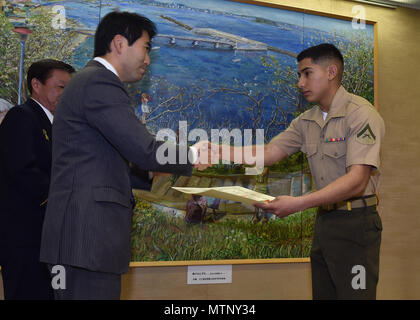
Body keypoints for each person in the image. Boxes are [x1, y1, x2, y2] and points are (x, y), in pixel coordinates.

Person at [39, 11, 208, 300]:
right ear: (119, 43)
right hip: (86, 240)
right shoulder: (100, 82)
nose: (147, 60)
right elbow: (143, 148)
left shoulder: (89, 81)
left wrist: (152, 172)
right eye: (145, 48)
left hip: (83, 242)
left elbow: (105, 157)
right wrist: (192, 154)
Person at [214, 43, 384, 299]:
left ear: (331, 72)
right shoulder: (307, 121)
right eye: (299, 75)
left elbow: (356, 182)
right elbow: (270, 152)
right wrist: (219, 151)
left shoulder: (361, 115)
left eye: (307, 73)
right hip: (325, 221)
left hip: (356, 224)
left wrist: (299, 203)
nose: (300, 83)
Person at [0, 59, 75, 300]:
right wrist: (66, 193)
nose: (65, 94)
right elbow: (22, 171)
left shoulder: (57, 125)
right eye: (60, 86)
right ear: (36, 84)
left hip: (49, 237)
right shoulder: (22, 117)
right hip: (25, 236)